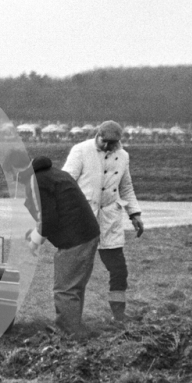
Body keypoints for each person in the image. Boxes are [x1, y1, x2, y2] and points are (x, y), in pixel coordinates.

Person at [62, 120, 144, 324]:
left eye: (112, 143)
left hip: (109, 221)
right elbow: (66, 183)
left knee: (119, 270)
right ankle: (71, 320)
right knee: (78, 273)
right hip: (83, 220)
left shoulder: (123, 157)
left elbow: (126, 187)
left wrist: (134, 214)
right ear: (97, 135)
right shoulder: (81, 150)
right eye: (104, 141)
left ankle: (119, 314)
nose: (107, 146)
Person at [23, 156, 101, 337]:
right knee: (74, 286)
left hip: (76, 239)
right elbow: (53, 211)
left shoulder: (37, 182)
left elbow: (48, 219)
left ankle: (69, 334)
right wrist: (36, 233)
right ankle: (74, 328)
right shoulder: (55, 174)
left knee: (65, 289)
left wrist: (34, 241)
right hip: (87, 234)